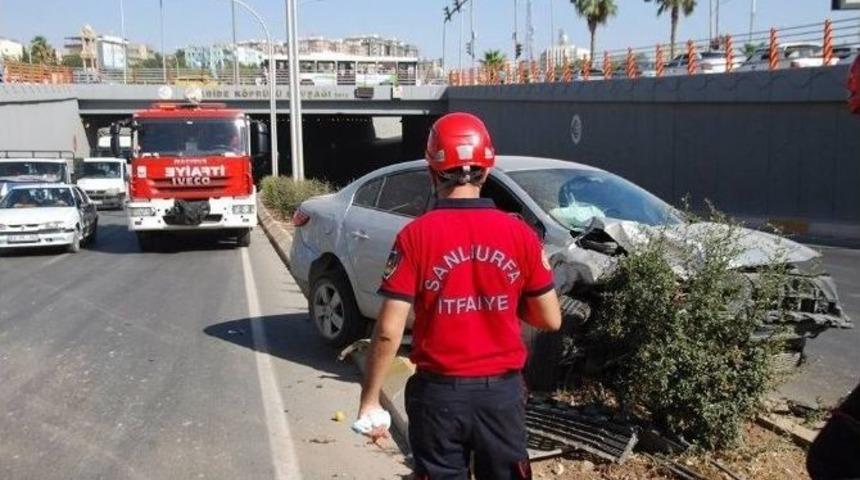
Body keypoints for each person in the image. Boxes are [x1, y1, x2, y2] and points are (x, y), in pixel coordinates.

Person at [357, 112, 562, 479]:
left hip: (438, 398)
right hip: (501, 397)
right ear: (487, 169)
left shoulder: (415, 236)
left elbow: (388, 331)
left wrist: (370, 400)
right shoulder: (521, 235)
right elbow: (550, 319)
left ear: (432, 171)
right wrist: (499, 303)